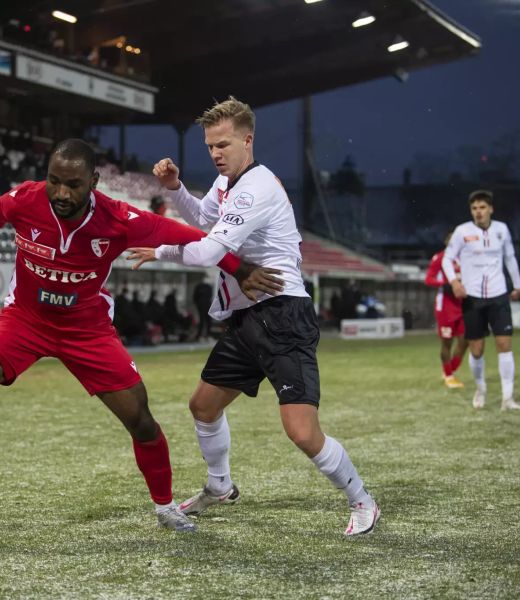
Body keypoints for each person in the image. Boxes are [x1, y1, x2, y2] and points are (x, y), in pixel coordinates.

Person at [0, 138, 282, 534]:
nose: (60, 192)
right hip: (25, 319)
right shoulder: (25, 198)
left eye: (72, 184)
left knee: (140, 420)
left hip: (85, 330)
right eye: (54, 180)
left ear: (93, 182)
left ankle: (165, 507)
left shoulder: (120, 220)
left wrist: (238, 267)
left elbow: (189, 237)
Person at [129, 96, 379, 536]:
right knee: (203, 406)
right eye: (209, 147)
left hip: (283, 314)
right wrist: (176, 189)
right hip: (246, 317)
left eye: (223, 145)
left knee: (302, 432)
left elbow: (207, 248)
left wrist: (163, 250)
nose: (216, 153)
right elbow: (204, 217)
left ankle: (362, 499)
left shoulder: (255, 188)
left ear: (248, 139)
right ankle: (220, 485)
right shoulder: (228, 183)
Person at [442, 190, 520, 410]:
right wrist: (454, 283)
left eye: (482, 207)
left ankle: (508, 398)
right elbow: (447, 260)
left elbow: (509, 257)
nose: (478, 212)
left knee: (504, 345)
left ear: (491, 209)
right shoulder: (462, 232)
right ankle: (481, 389)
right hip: (473, 298)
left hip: (499, 295)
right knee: (476, 350)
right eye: (474, 208)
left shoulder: (502, 229)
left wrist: (517, 284)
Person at [424, 232, 467, 389]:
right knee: (447, 342)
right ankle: (449, 376)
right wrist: (445, 283)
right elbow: (428, 279)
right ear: (447, 242)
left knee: (465, 340)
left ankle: (450, 370)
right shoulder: (440, 258)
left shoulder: (465, 258)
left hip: (463, 305)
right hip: (446, 306)